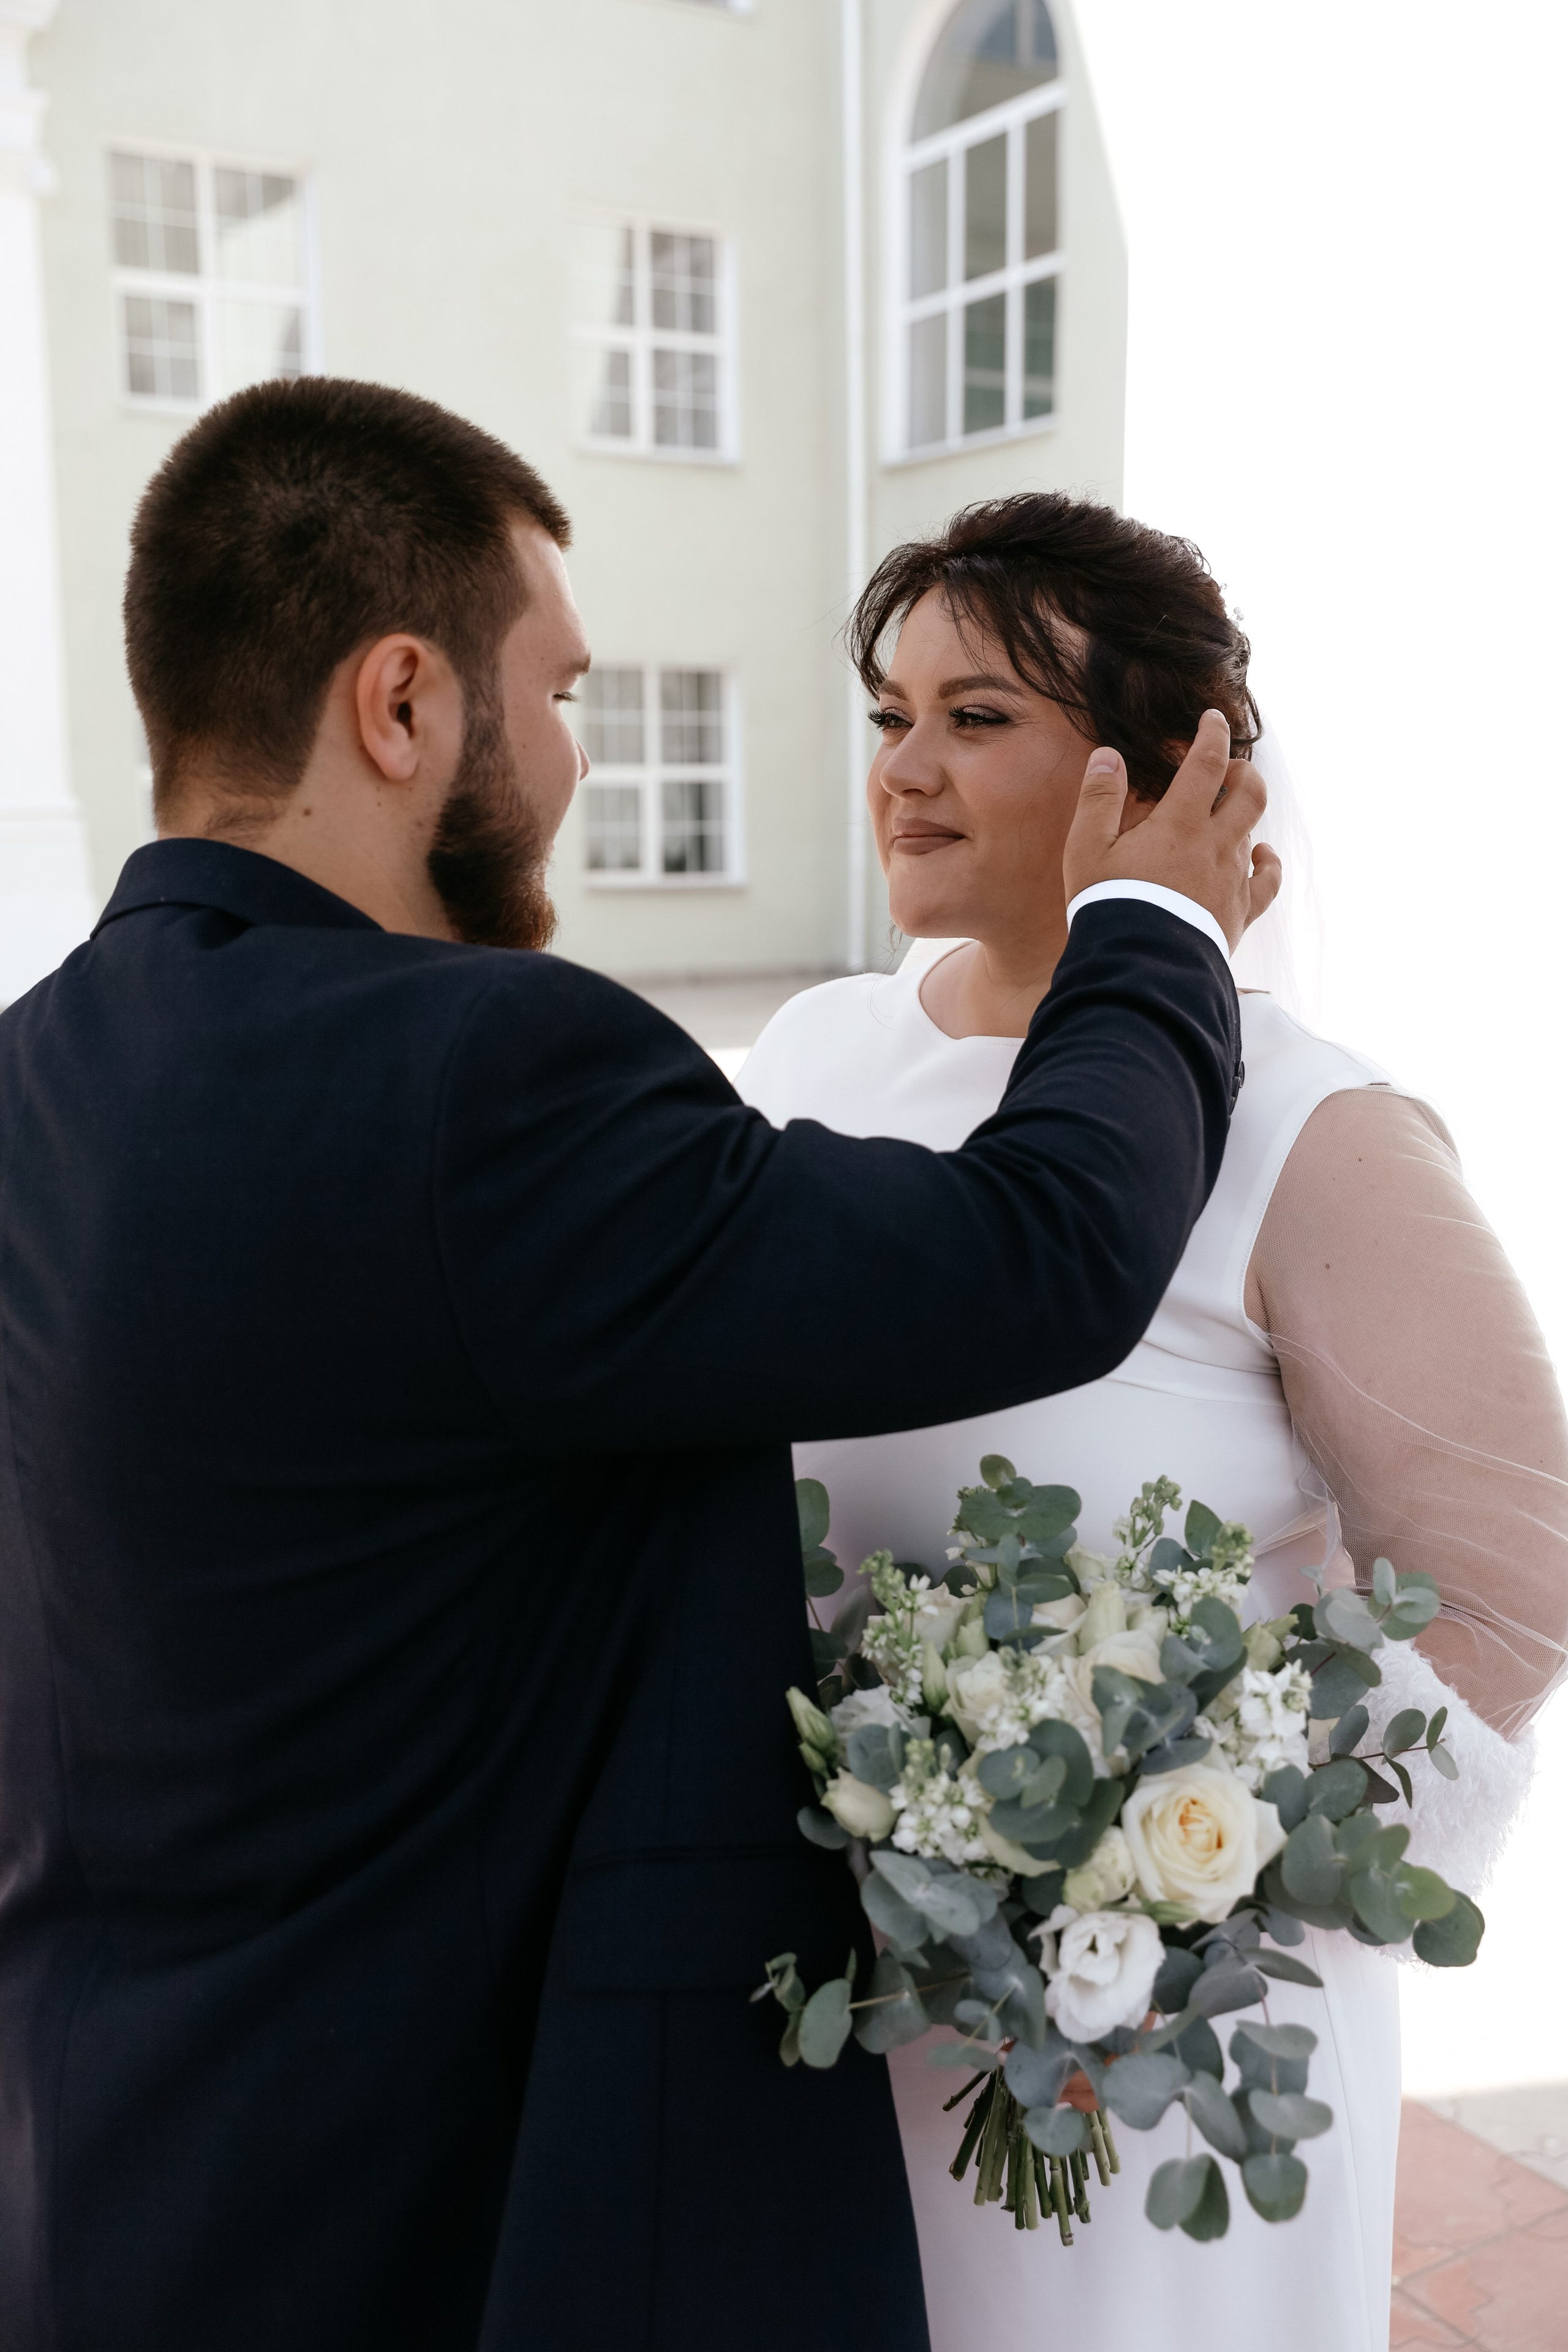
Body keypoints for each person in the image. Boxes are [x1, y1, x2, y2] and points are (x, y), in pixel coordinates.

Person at [0, 385, 1276, 2352]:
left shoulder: (37, 1073)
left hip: (113, 2166)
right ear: (406, 705)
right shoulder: (475, 1072)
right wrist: (1154, 929)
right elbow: (1035, 1250)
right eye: (566, 692)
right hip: (462, 2204)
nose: (582, 758)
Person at [738, 491, 1568, 2352]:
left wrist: (1179, 1860)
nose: (907, 773)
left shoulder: (1314, 1129)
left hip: (1164, 2045)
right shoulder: (812, 1060)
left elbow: (1512, 1590)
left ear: (1168, 772)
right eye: (891, 717)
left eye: (979, 720)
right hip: (862, 1994)